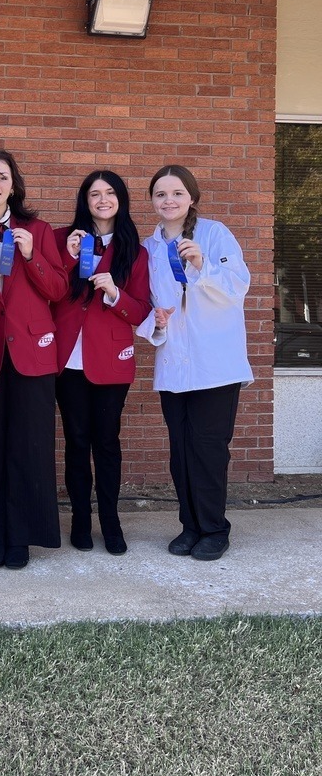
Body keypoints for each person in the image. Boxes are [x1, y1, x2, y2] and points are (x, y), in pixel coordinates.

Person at [137, 164, 253, 562]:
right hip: (174, 362)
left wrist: (204, 264)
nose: (169, 201)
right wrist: (155, 321)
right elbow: (146, 303)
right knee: (181, 449)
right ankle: (190, 526)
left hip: (214, 363)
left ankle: (214, 528)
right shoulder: (148, 247)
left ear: (191, 198)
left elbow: (239, 284)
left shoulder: (215, 233)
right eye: (160, 194)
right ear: (152, 201)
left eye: (177, 193)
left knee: (208, 448)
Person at [0, 150, 67, 569]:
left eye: (2, 176)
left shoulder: (38, 231)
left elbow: (58, 290)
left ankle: (21, 535)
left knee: (29, 445)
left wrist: (31, 256)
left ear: (14, 185)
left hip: (31, 352)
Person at [53, 170, 150, 555]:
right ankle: (79, 518)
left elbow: (141, 310)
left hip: (110, 358)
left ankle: (110, 521)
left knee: (106, 442)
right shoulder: (65, 239)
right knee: (76, 441)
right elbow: (49, 288)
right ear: (85, 201)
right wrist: (68, 256)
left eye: (110, 193)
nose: (103, 199)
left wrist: (114, 293)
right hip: (68, 359)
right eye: (94, 194)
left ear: (121, 199)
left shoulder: (135, 251)